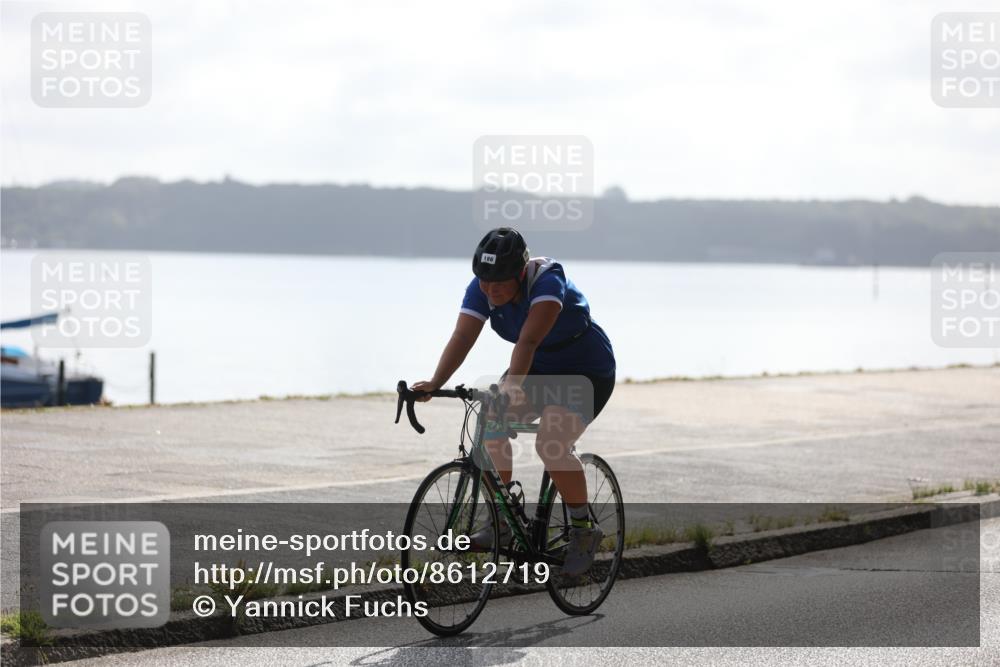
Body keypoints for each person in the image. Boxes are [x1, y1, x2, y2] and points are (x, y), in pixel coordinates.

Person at [412, 227, 616, 575]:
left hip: (586, 370)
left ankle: (583, 527)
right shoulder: (482, 288)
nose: (490, 290)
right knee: (491, 422)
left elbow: (527, 342)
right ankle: (502, 521)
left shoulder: (548, 282)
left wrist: (512, 387)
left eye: (499, 283)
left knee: (551, 442)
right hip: (537, 367)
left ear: (520, 274)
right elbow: (463, 335)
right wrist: (434, 382)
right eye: (484, 282)